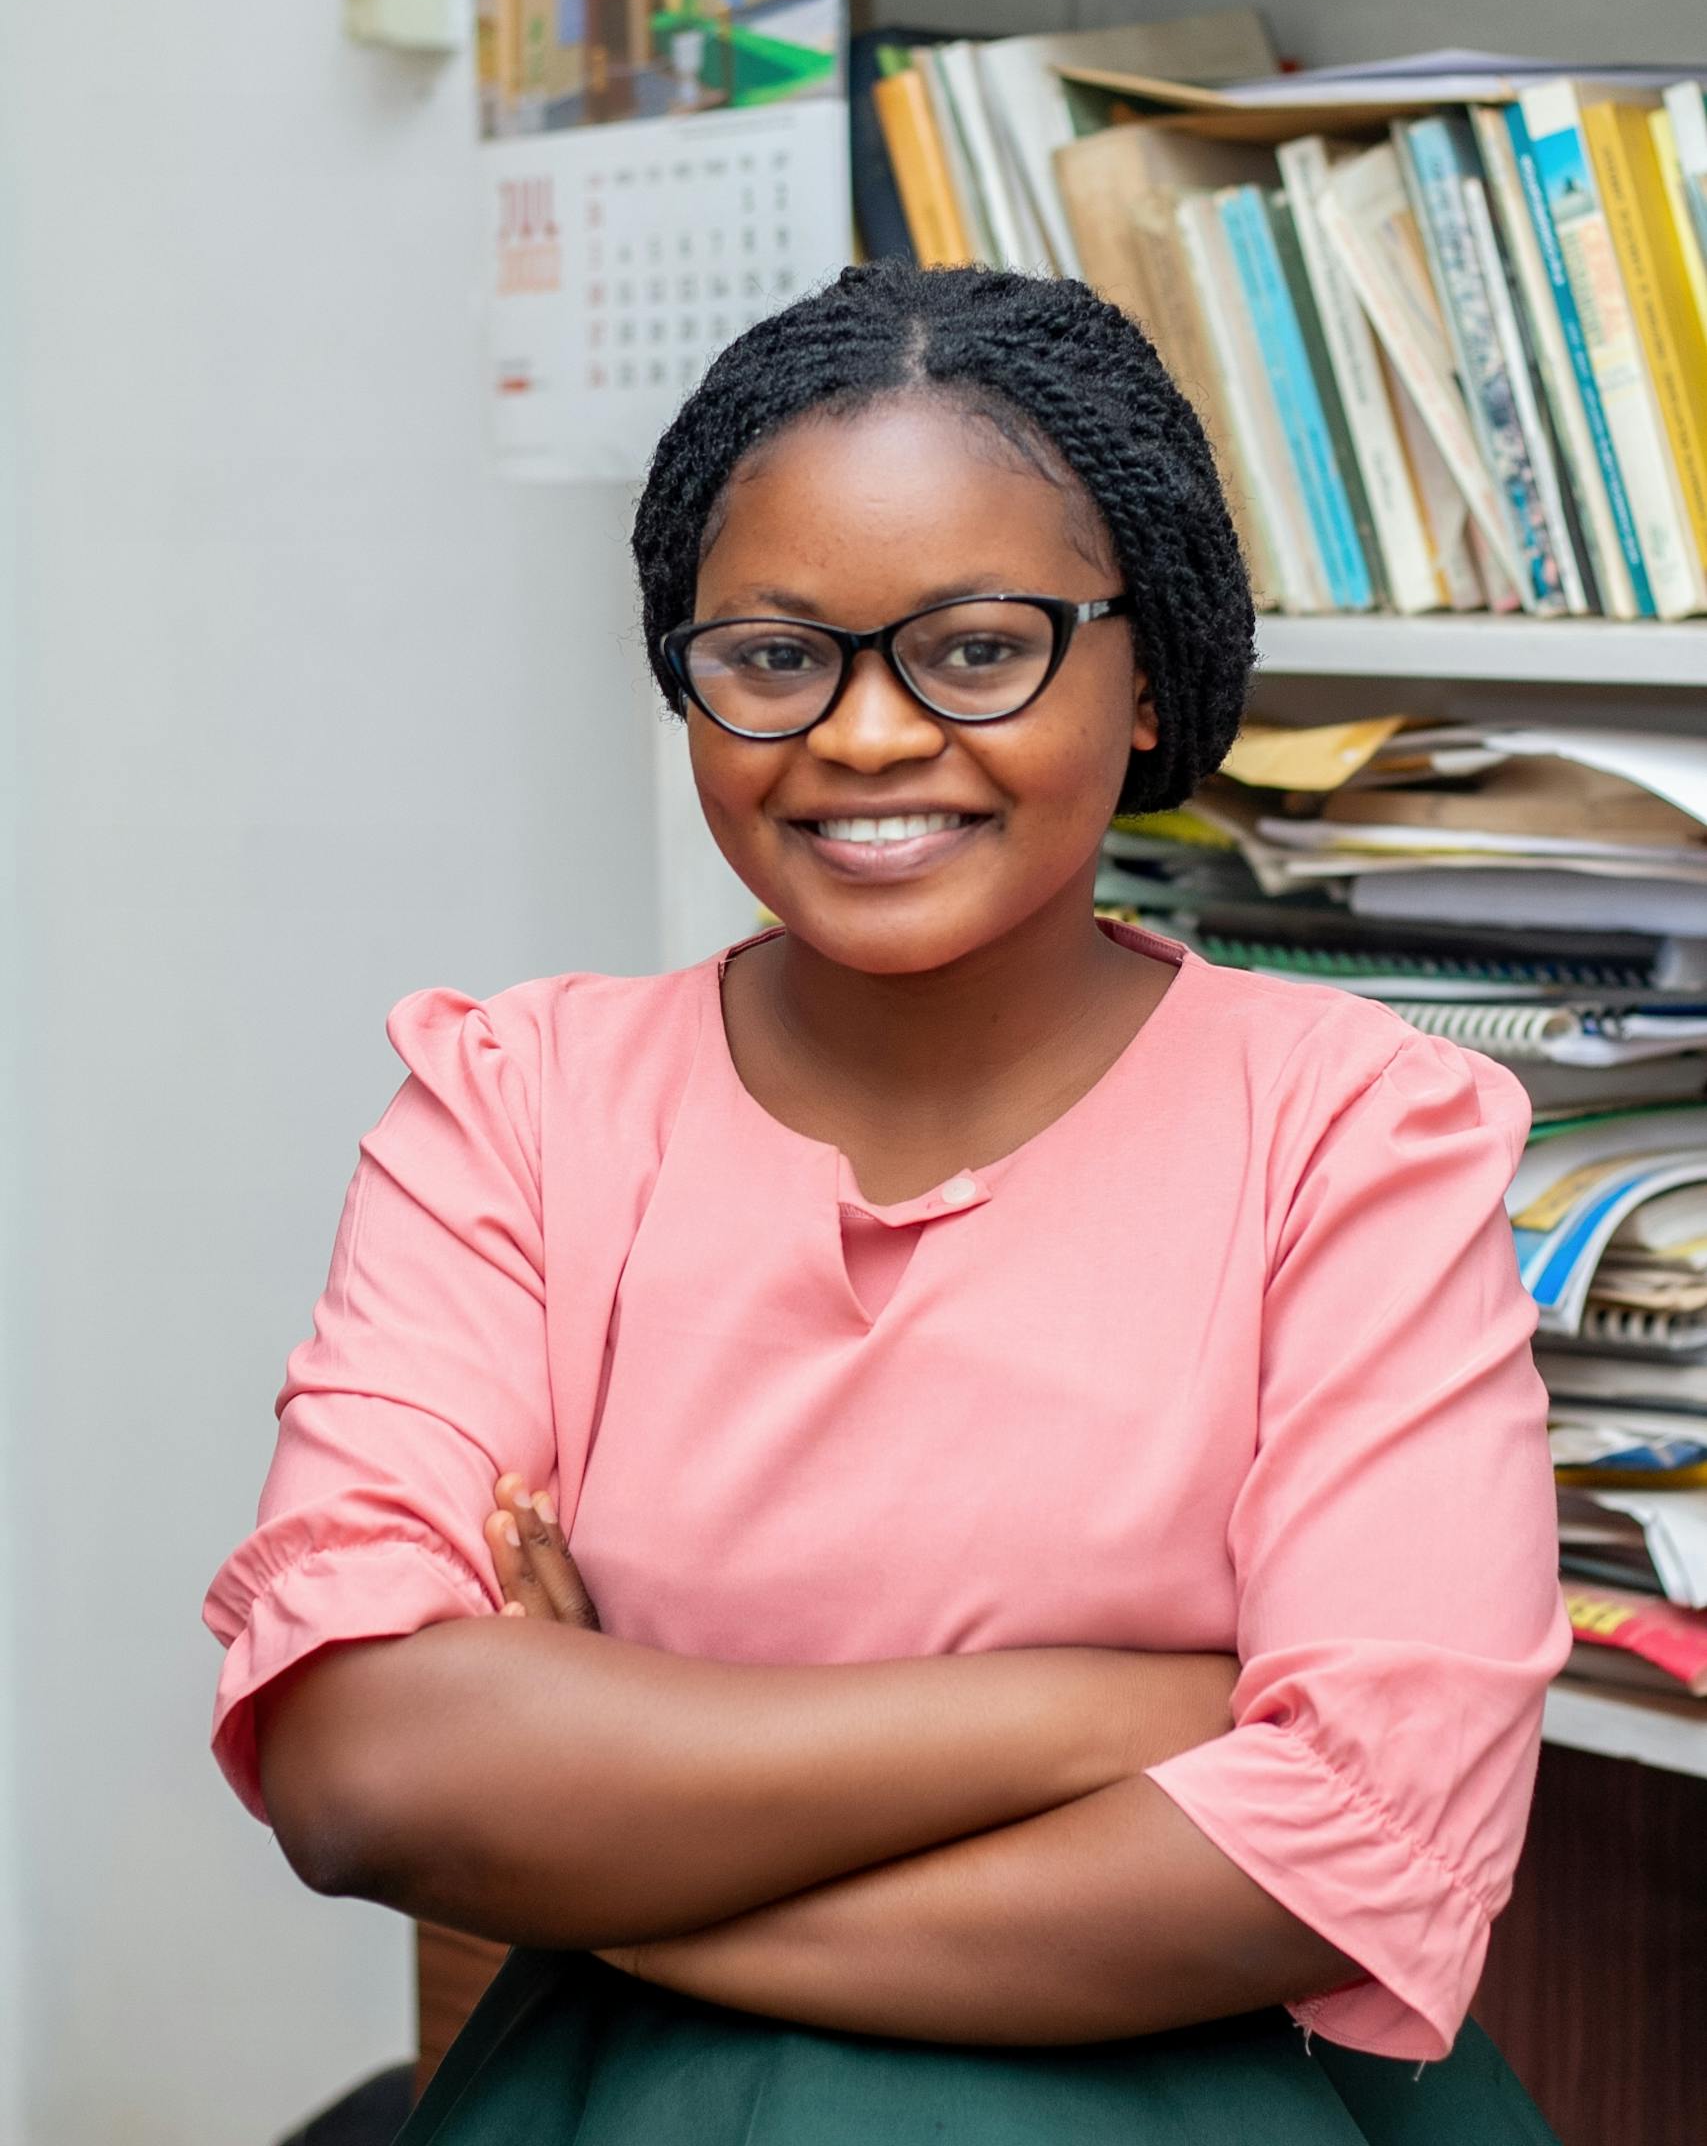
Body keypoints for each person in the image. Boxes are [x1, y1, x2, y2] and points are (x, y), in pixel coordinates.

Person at [205, 262, 1568, 2143]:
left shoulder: (1358, 1134)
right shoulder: (513, 1107)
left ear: (1151, 666)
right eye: (773, 656)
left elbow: (1343, 1853)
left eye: (978, 646)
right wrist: (1122, 1715)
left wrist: (616, 1806)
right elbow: (364, 1770)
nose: (859, 736)